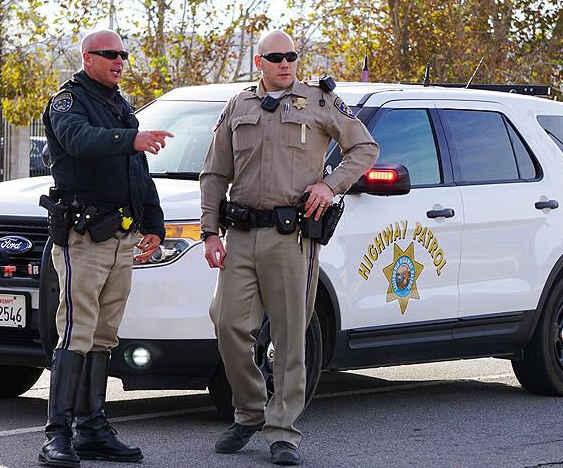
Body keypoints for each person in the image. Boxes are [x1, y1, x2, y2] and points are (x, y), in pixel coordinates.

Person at [200, 29, 379, 465]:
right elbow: (214, 173)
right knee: (227, 324)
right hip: (240, 234)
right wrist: (208, 231)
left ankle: (283, 432)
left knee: (289, 337)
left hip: (291, 236)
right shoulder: (238, 104)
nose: (286, 63)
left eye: (292, 56)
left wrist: (330, 184)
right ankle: (249, 412)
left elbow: (364, 147)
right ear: (258, 62)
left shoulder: (319, 101)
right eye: (276, 57)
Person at [38, 29, 173, 468]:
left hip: (121, 236)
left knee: (104, 335)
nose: (119, 61)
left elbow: (138, 171)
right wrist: (128, 139)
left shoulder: (120, 103)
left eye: (123, 55)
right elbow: (78, 140)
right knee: (76, 330)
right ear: (87, 57)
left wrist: (155, 223)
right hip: (84, 236)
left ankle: (92, 428)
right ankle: (57, 435)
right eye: (109, 54)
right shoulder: (68, 101)